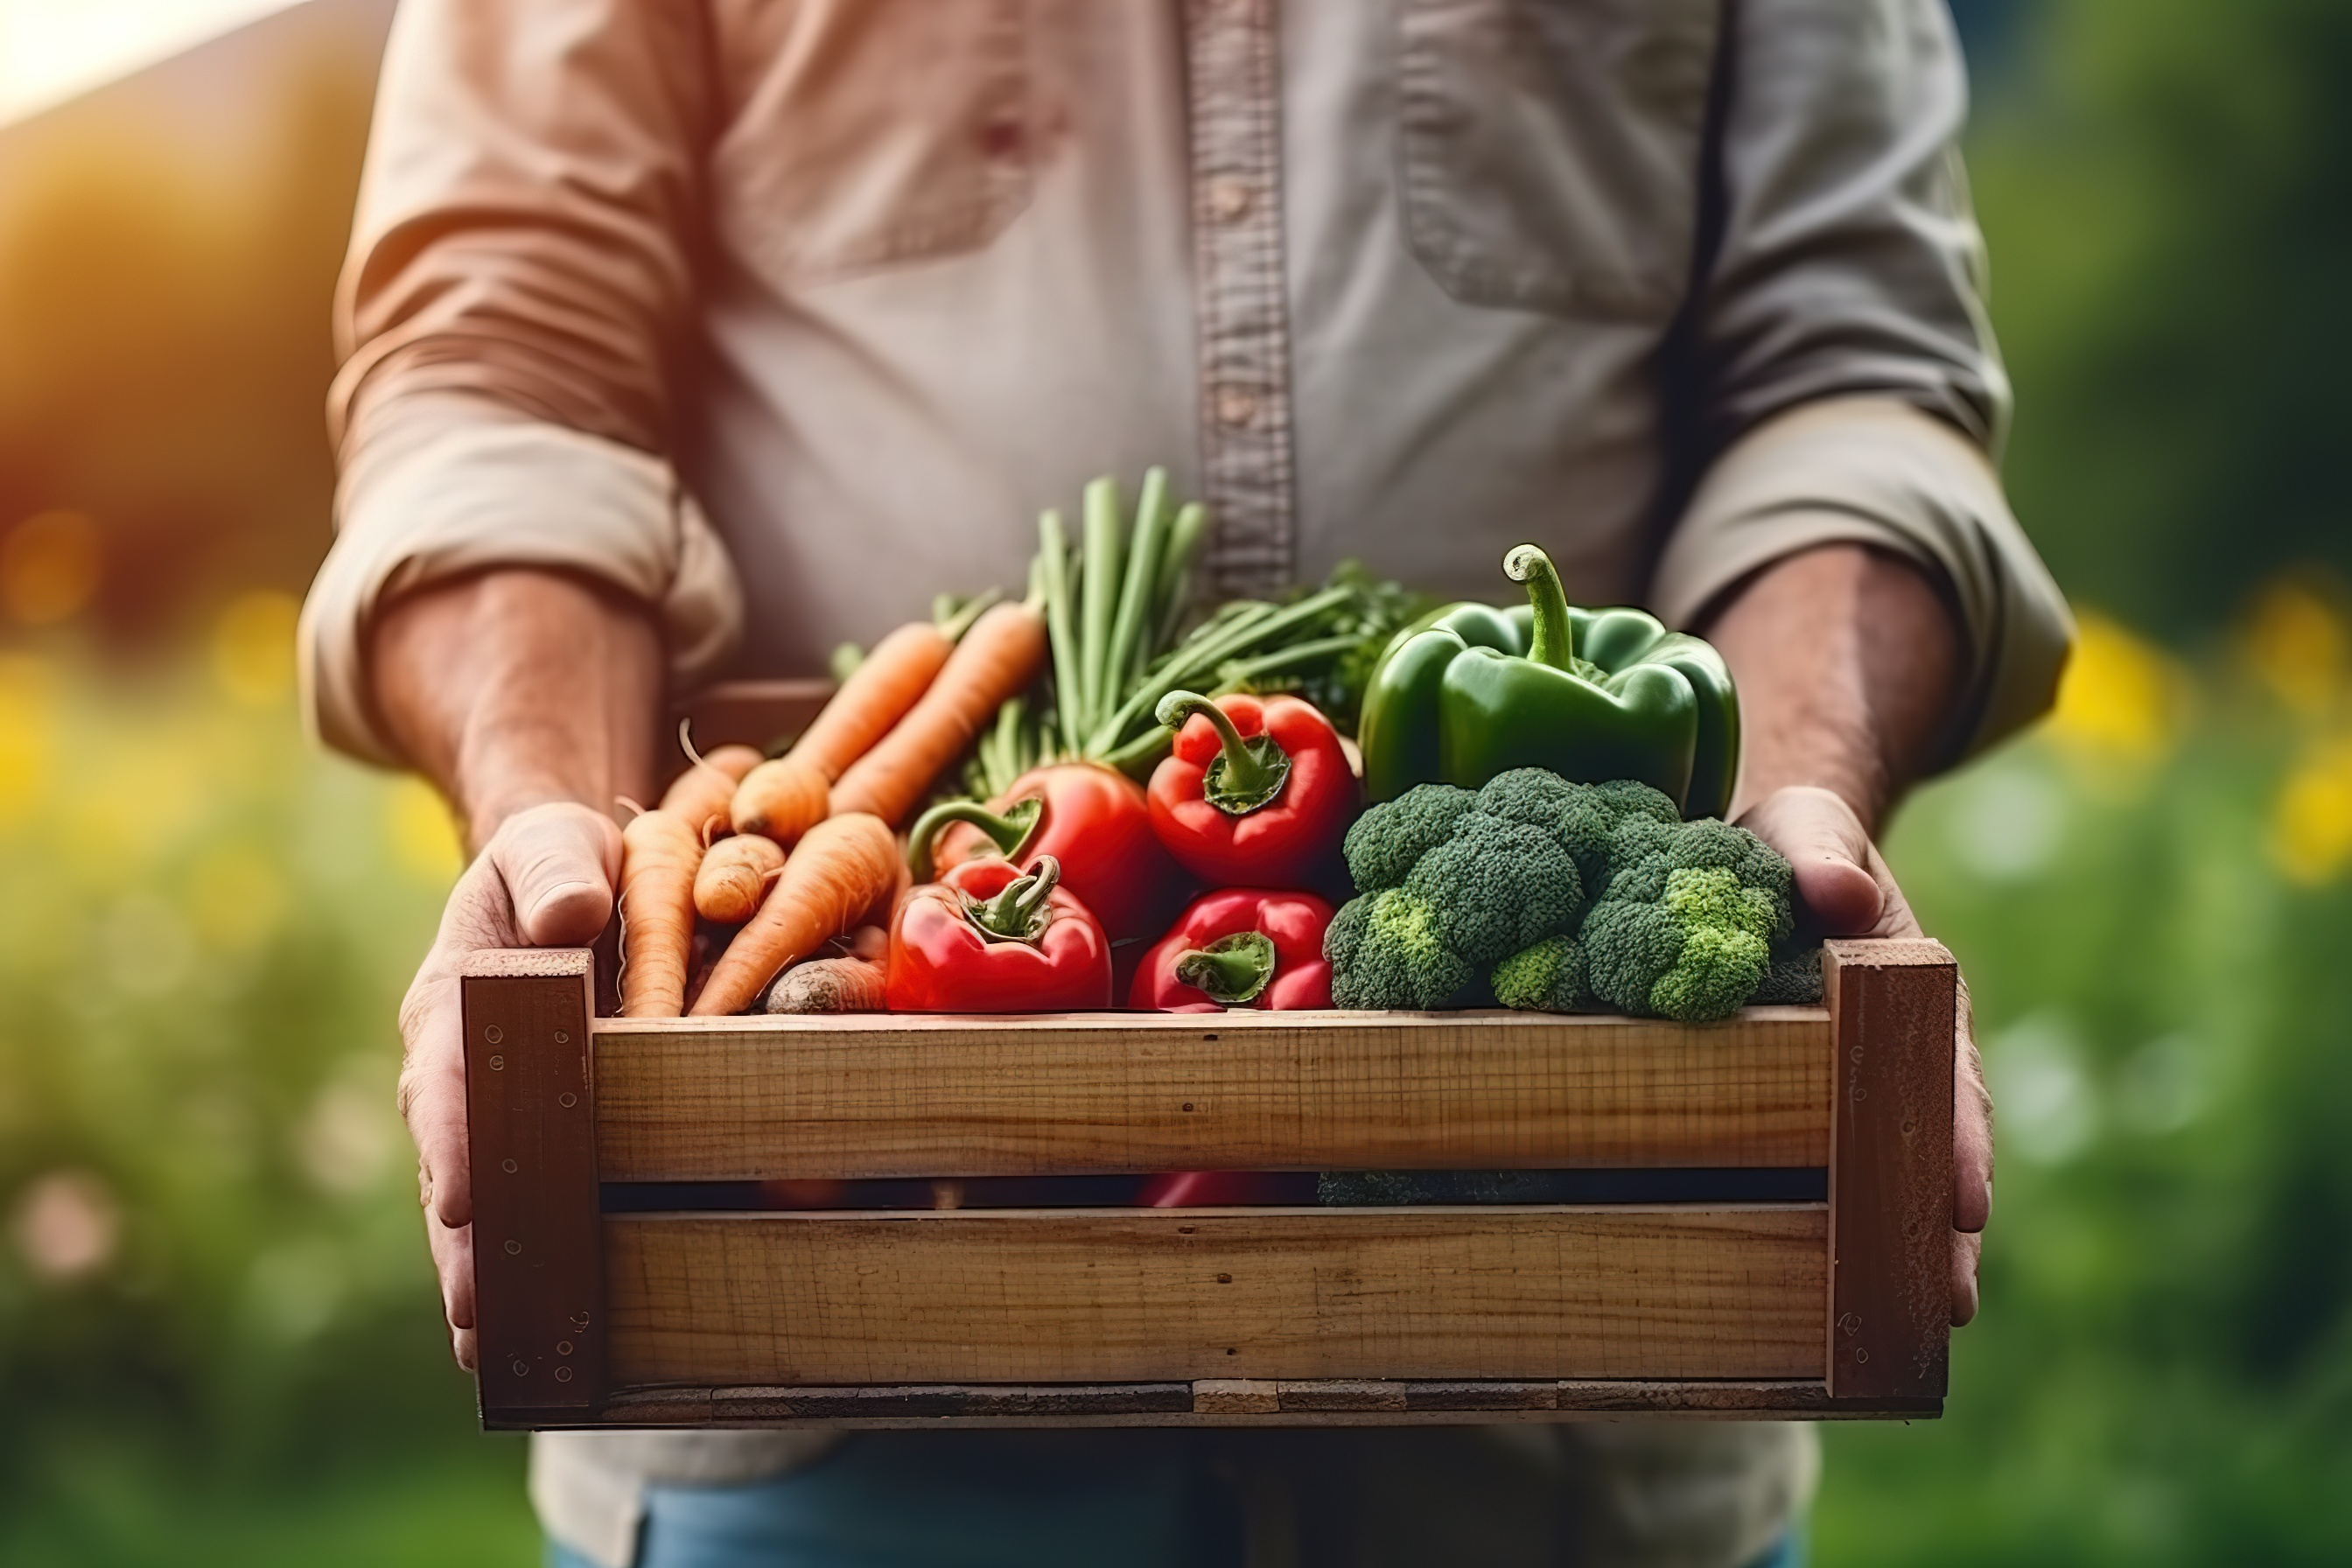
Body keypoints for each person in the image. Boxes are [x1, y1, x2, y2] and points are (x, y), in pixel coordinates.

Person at [299, 2, 2070, 1564]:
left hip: (1580, 1397)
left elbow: (1856, 369)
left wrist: (1800, 788)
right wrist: (556, 815)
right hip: (808, 1404)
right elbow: (498, 364)